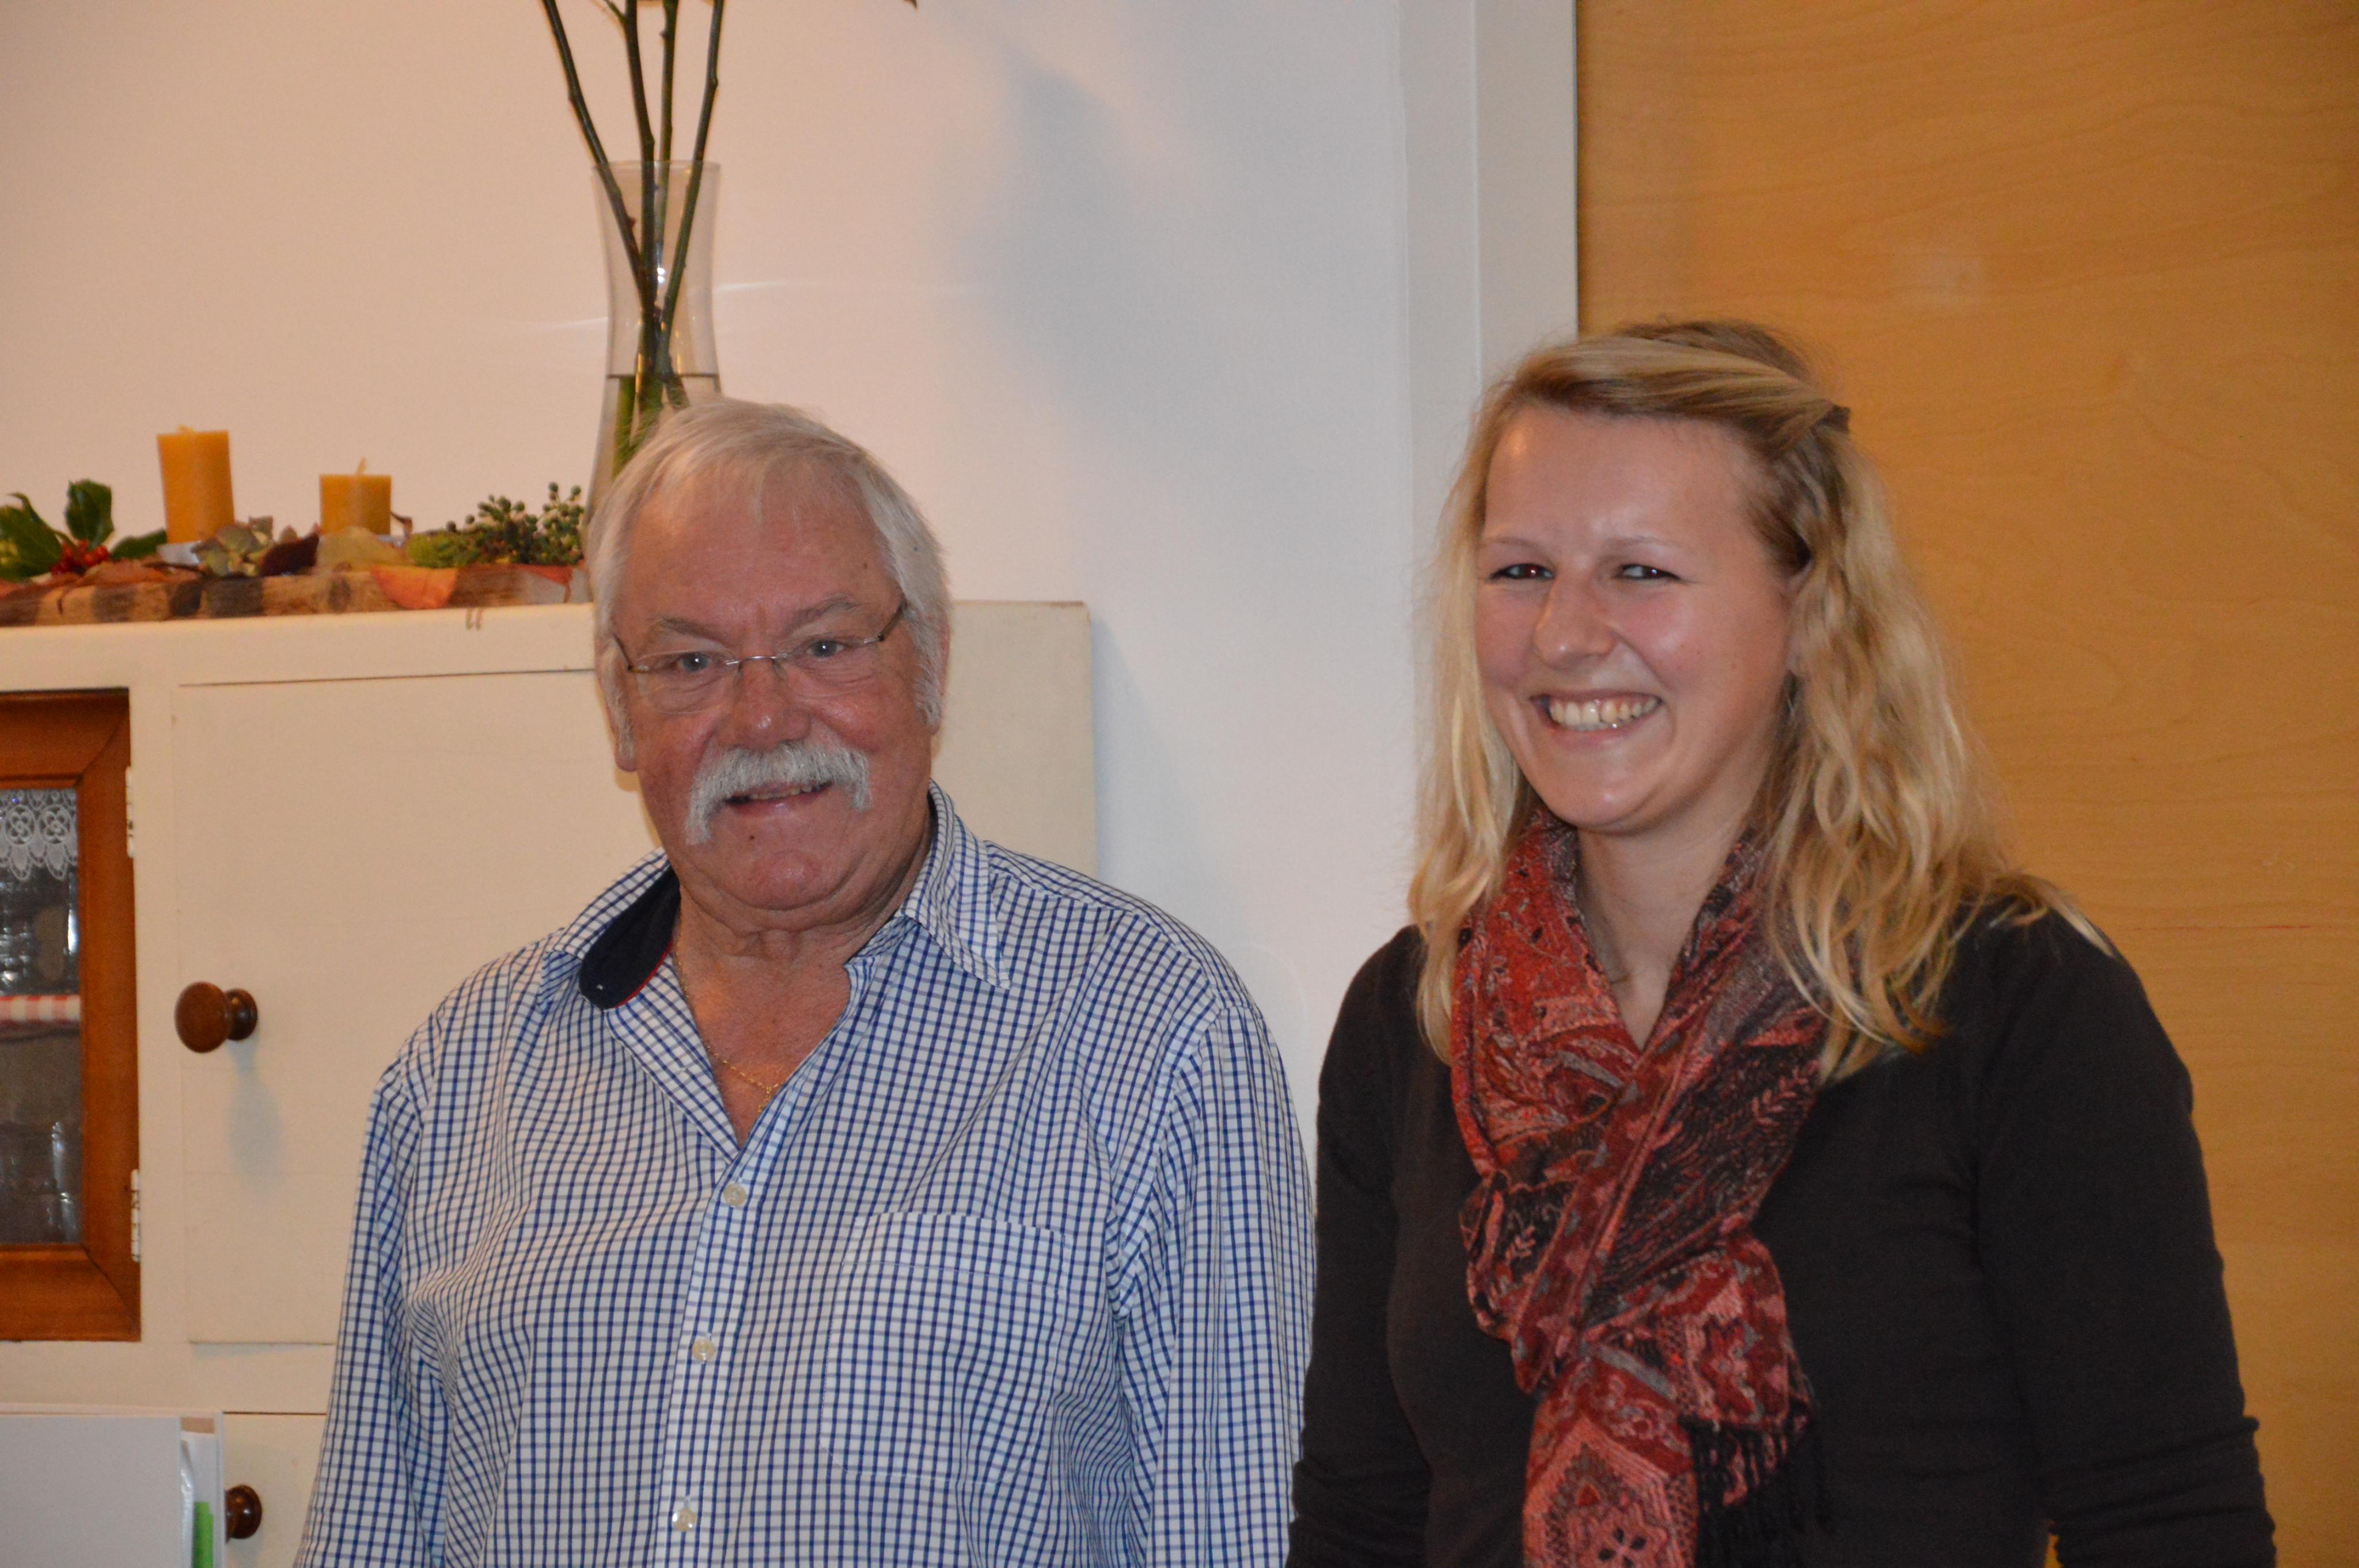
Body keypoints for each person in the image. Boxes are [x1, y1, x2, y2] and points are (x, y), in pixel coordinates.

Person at [1288, 322, 2273, 1568]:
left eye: (1641, 572)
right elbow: (1363, 1520)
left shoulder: (2016, 1003)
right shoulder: (1416, 1012)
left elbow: (2169, 1523)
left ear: (1812, 616)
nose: (1563, 636)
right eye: (1521, 570)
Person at [297, 399, 1311, 1566]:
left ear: (931, 665)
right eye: (691, 662)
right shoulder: (460, 1074)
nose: (764, 717)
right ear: (620, 710)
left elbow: (1237, 1537)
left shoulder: (1154, 1035)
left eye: (825, 647)